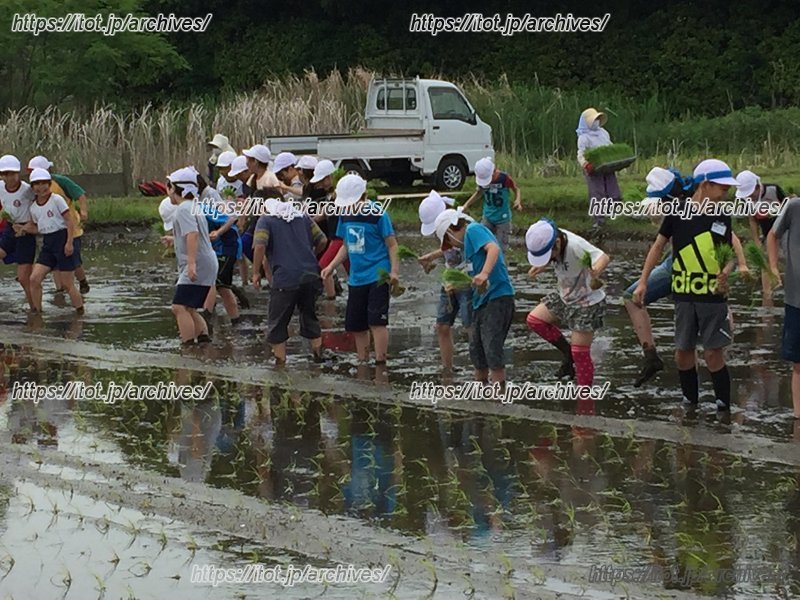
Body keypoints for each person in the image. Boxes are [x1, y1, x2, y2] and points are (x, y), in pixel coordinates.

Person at [633, 159, 740, 411]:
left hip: (712, 297)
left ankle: (723, 407)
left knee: (713, 354)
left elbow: (729, 256)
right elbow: (658, 246)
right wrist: (643, 282)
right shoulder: (678, 211)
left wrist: (726, 272)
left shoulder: (722, 216)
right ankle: (689, 404)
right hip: (683, 295)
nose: (726, 195)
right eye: (722, 189)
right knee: (683, 353)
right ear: (705, 185)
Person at [623, 167, 694, 386]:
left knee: (688, 342)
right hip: (675, 263)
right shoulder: (680, 206)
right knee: (632, 297)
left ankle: (655, 359)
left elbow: (730, 237)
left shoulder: (691, 208)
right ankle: (651, 357)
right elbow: (658, 244)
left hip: (689, 269)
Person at [320, 174, 399, 365]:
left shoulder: (378, 214)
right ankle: (362, 359)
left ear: (363, 196)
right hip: (357, 277)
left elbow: (392, 245)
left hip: (378, 275)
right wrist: (331, 266)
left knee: (377, 321)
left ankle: (380, 361)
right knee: (357, 324)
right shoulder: (345, 215)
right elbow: (346, 244)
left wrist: (394, 271)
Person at [434, 208, 514, 389]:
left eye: (448, 240)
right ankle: (481, 389)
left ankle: (499, 393)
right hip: (481, 300)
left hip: (498, 296)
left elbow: (493, 248)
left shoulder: (473, 230)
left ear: (451, 231)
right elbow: (473, 276)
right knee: (476, 349)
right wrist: (456, 285)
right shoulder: (468, 246)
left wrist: (485, 273)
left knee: (491, 347)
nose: (451, 246)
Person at [525, 218, 609, 386]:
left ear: (557, 243)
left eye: (549, 255)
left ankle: (585, 398)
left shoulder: (575, 245)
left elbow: (603, 257)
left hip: (586, 303)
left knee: (580, 353)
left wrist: (595, 272)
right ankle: (567, 353)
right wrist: (543, 264)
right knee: (535, 320)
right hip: (566, 296)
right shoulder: (549, 237)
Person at [252, 197, 328, 364]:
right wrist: (311, 255)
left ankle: (281, 362)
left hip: (285, 278)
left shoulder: (265, 220)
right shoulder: (303, 217)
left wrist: (256, 272)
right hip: (310, 275)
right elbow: (322, 240)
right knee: (309, 315)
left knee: (278, 320)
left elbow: (259, 245)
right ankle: (318, 355)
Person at [417, 191, 473, 373]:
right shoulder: (445, 228)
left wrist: (460, 281)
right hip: (449, 280)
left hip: (466, 281)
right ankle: (447, 368)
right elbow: (448, 249)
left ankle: (481, 369)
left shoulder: (465, 227)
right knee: (442, 325)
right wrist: (432, 256)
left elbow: (469, 251)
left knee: (470, 326)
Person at [166, 167, 219, 346]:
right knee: (189, 307)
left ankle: (188, 346)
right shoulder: (193, 206)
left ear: (176, 189)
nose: (168, 191)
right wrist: (173, 239)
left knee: (179, 307)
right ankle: (203, 340)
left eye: (169, 186)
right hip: (207, 260)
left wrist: (191, 264)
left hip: (199, 262)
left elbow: (193, 234)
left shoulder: (183, 209)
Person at [22, 168, 83, 313]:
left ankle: (80, 312)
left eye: (44, 183)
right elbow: (40, 228)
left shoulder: (56, 199)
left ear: (49, 184)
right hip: (47, 244)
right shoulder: (34, 207)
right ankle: (37, 311)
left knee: (67, 284)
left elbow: (69, 221)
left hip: (61, 241)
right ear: (32, 187)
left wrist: (69, 243)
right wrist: (23, 229)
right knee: (34, 279)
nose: (40, 187)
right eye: (36, 184)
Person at [27, 155, 91, 294]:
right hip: (51, 229)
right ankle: (60, 289)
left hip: (70, 228)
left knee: (73, 259)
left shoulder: (61, 181)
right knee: (55, 261)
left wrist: (84, 211)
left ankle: (82, 281)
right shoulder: (33, 188)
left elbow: (80, 194)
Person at [767, 195, 800, 420]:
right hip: (796, 298)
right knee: (798, 363)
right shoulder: (794, 207)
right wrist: (773, 267)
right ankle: (798, 417)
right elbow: (772, 235)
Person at [736, 170, 787, 302]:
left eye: (751, 193)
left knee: (790, 260)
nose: (749, 197)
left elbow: (789, 209)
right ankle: (767, 295)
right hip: (767, 234)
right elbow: (752, 220)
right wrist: (757, 240)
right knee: (764, 263)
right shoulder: (746, 200)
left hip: (784, 232)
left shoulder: (773, 190)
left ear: (757, 187)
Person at [461, 156, 521, 255]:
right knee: (481, 241)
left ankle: (500, 265)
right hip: (488, 216)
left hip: (503, 218)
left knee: (500, 248)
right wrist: (466, 205)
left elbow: (516, 188)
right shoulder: (483, 182)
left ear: (494, 171)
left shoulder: (504, 178)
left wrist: (517, 200)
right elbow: (478, 193)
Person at [576, 107, 621, 234]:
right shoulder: (584, 137)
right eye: (593, 120)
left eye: (597, 119)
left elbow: (610, 147)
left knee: (613, 191)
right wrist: (586, 164)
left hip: (607, 166)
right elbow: (581, 154)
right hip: (594, 169)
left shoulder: (603, 133)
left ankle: (611, 214)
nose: (596, 122)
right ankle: (599, 221)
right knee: (597, 193)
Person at [0, 155, 37, 309]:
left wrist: (28, 225)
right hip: (10, 227)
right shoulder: (1, 187)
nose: (11, 177)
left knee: (23, 278)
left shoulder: (28, 190)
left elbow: (41, 206)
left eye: (13, 173)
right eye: (7, 174)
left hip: (26, 232)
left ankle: (34, 308)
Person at [311, 160, 348, 299]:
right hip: (337, 237)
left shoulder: (339, 194)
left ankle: (331, 298)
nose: (319, 184)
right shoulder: (329, 196)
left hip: (340, 237)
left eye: (321, 180)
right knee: (352, 270)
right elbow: (325, 214)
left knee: (324, 265)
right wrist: (310, 220)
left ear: (329, 177)